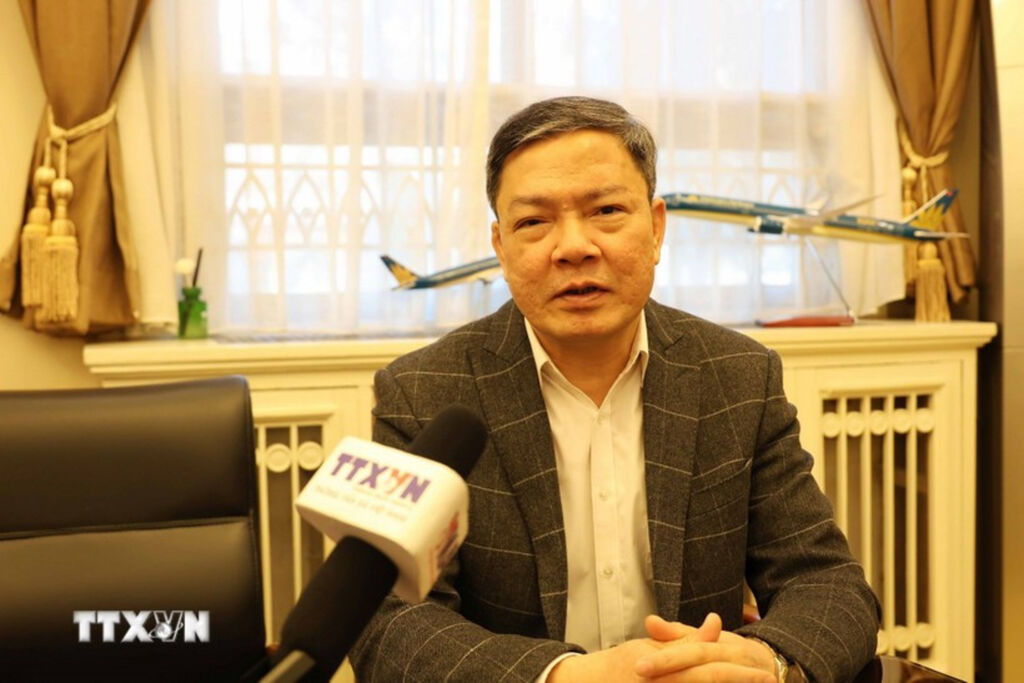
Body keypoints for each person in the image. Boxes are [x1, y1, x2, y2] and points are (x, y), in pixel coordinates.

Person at [350, 97, 880, 682]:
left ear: (656, 228)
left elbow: (824, 581)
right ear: (501, 247)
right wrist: (560, 677)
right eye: (534, 222)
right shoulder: (423, 393)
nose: (574, 247)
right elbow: (387, 619)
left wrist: (767, 660)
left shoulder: (738, 377)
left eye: (605, 210)